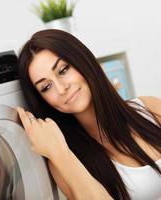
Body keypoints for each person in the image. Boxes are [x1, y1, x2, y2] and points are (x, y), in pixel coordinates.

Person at [15, 29, 161, 200]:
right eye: (46, 87)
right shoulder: (62, 161)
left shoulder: (149, 108)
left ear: (82, 60)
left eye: (63, 70)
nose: (62, 89)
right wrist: (60, 154)